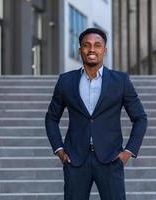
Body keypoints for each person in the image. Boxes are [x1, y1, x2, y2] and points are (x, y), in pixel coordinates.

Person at [45, 28, 147, 200]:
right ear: (80, 50)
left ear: (104, 50)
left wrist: (129, 151)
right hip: (75, 160)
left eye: (97, 45)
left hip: (110, 159)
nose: (92, 49)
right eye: (87, 45)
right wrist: (60, 150)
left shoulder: (121, 81)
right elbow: (51, 118)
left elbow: (140, 118)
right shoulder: (65, 81)